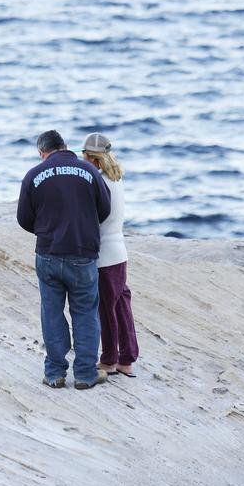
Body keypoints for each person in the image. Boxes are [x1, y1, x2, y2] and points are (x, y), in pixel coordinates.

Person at [17, 130, 111, 390]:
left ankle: (55, 373)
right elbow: (105, 208)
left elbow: (24, 218)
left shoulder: (34, 175)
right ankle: (84, 373)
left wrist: (46, 230)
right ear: (65, 147)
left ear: (42, 153)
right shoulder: (89, 172)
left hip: (48, 254)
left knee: (52, 313)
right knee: (85, 312)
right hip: (82, 253)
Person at [81, 132, 139, 377]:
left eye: (84, 157)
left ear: (93, 159)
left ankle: (109, 360)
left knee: (106, 308)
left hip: (104, 254)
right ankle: (127, 359)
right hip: (119, 251)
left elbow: (94, 218)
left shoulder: (98, 182)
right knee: (121, 306)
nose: (82, 161)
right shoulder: (116, 178)